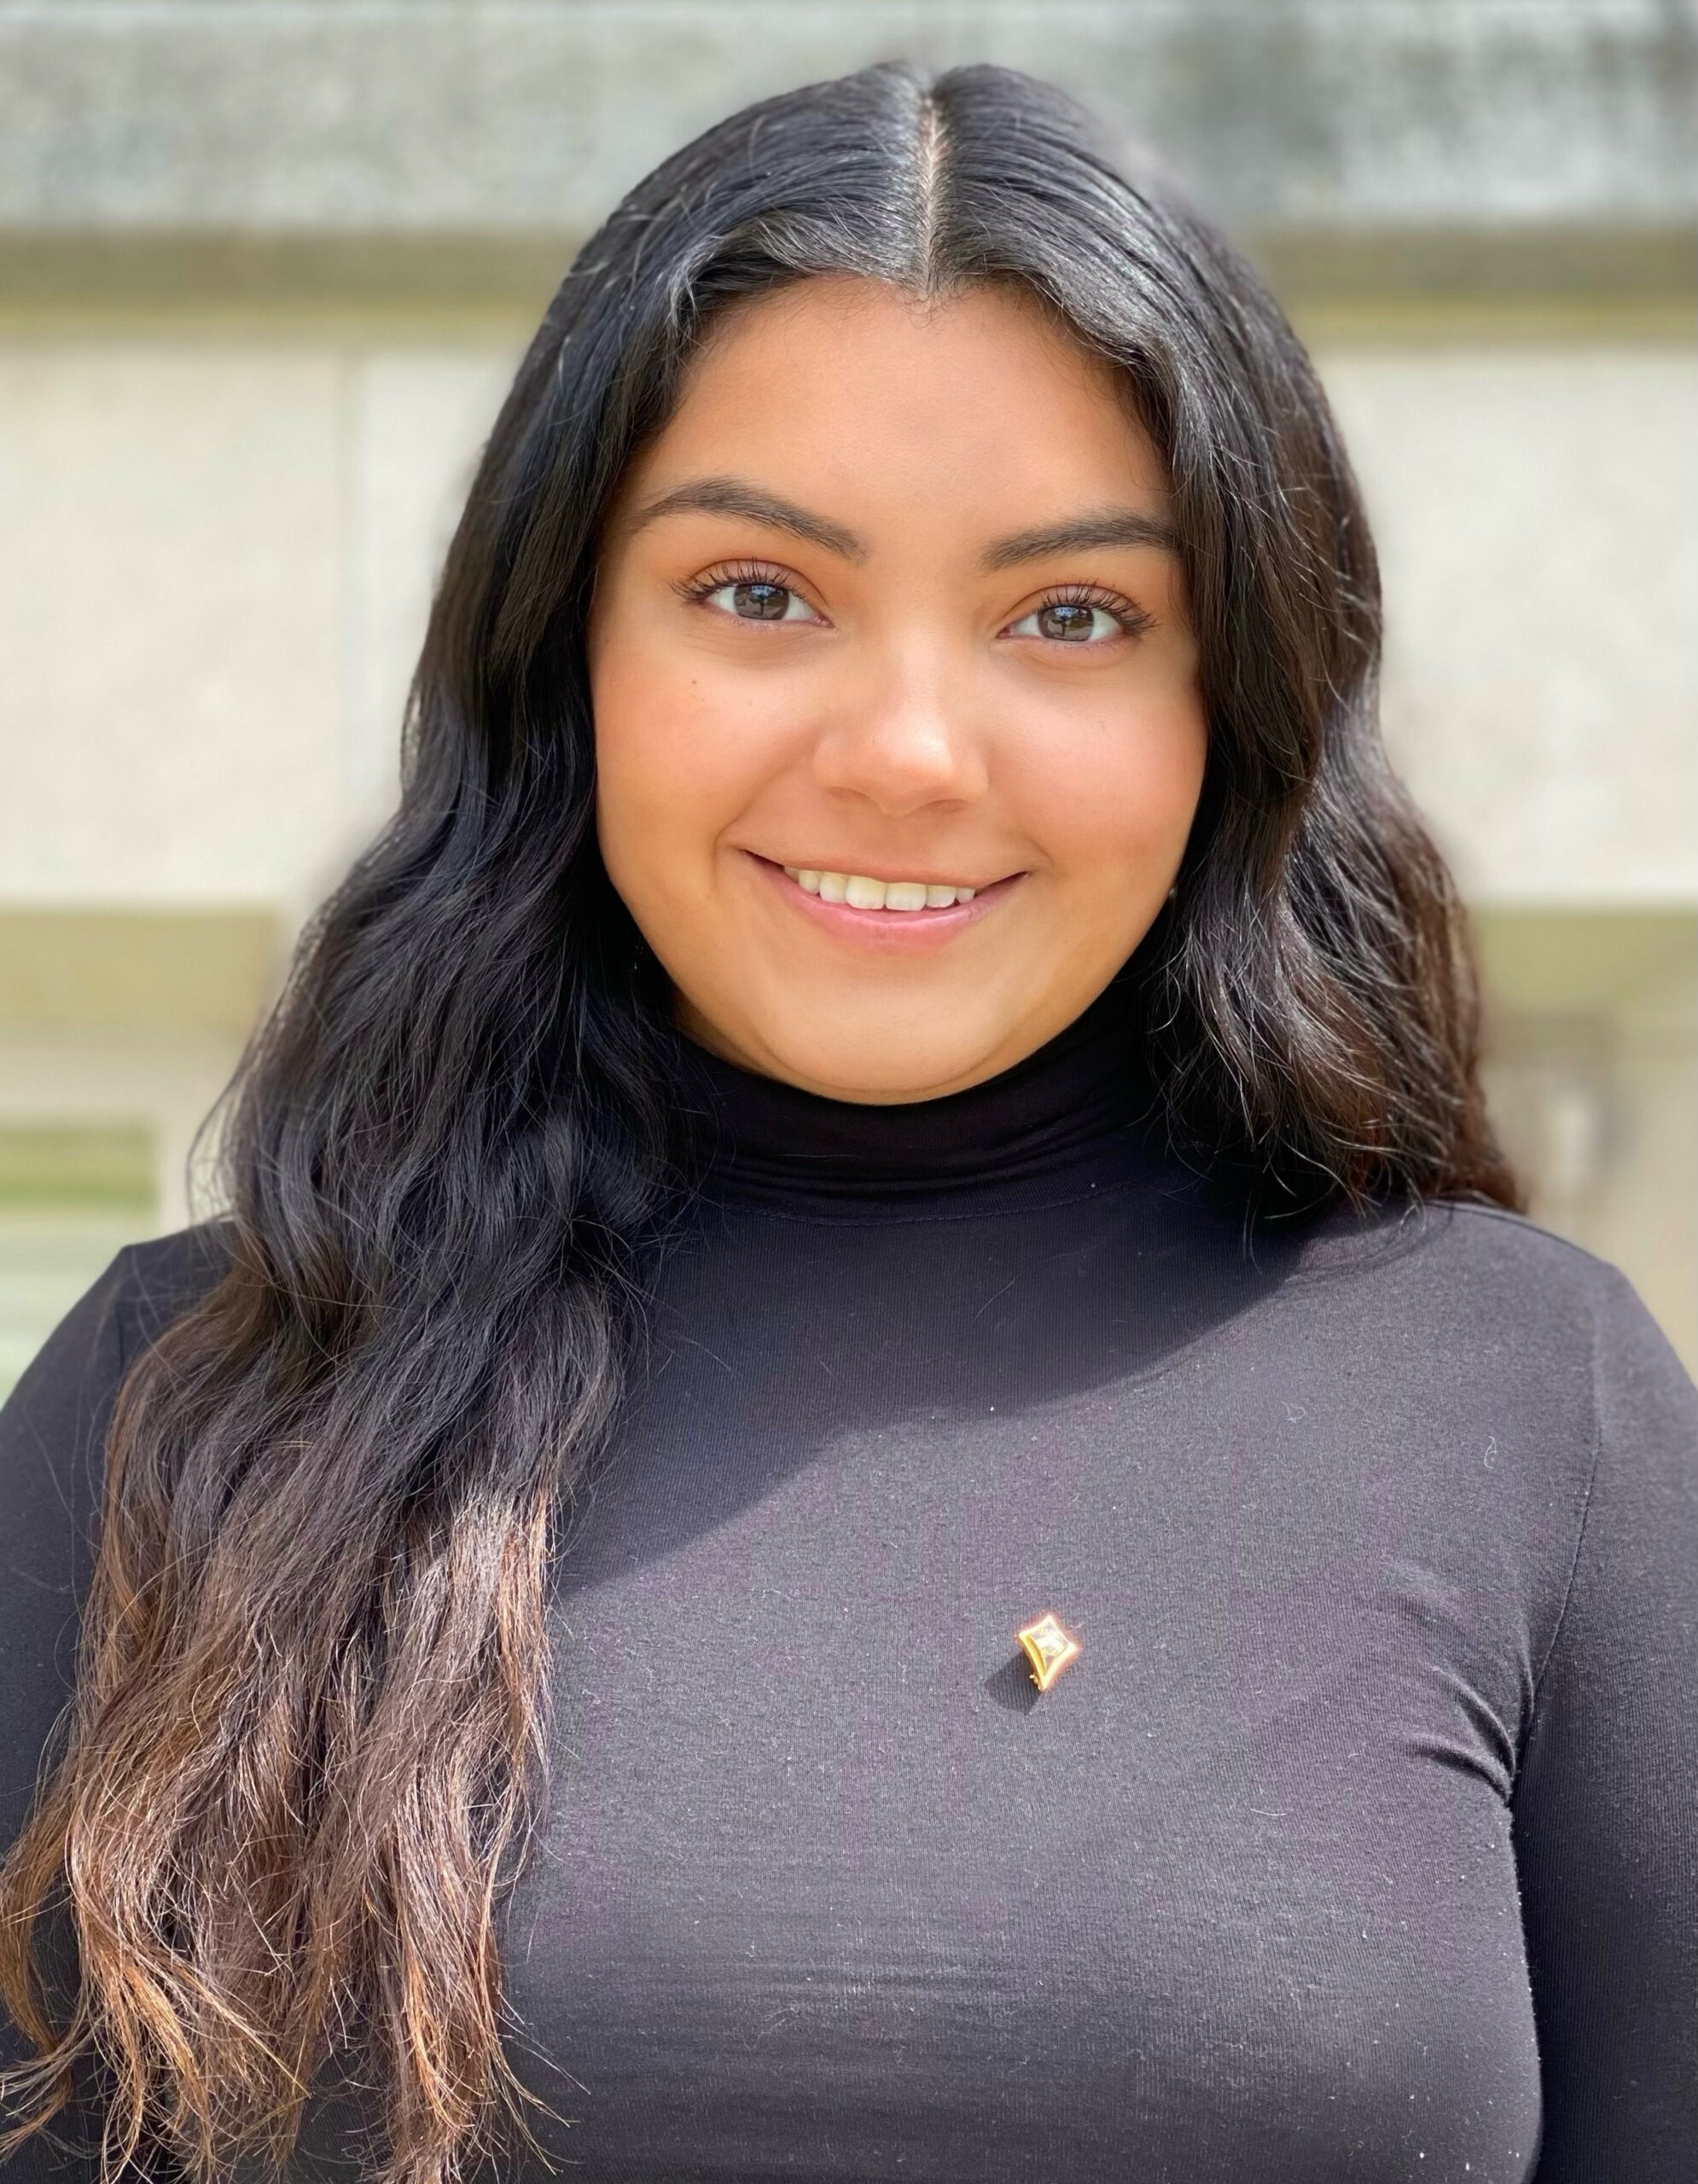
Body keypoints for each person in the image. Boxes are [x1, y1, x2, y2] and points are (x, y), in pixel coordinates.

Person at [2, 56, 1693, 2184]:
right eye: (758, 592)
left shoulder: (1533, 1405)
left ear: (1232, 699)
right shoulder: (180, 1414)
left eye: (1069, 616)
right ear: (565, 656)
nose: (904, 749)